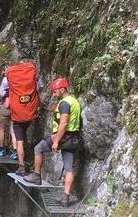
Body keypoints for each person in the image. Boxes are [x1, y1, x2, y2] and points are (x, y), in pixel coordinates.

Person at [23, 78, 82, 207]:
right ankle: (65, 197)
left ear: (62, 89)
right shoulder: (75, 101)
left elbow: (64, 123)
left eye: (55, 91)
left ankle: (37, 176)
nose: (53, 94)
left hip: (63, 137)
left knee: (38, 148)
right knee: (69, 168)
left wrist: (56, 141)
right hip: (74, 139)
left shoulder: (65, 103)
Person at [6, 60, 39, 176]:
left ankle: (21, 166)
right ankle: (30, 162)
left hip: (18, 116)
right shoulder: (30, 78)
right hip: (30, 113)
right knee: (27, 137)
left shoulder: (13, 80)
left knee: (19, 141)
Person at [0, 66, 17, 159]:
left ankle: (1, 149)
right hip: (15, 107)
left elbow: (2, 93)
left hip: (6, 106)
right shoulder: (17, 80)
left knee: (2, 129)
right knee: (13, 130)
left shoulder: (5, 80)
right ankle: (15, 151)